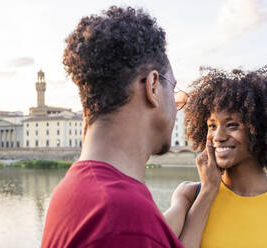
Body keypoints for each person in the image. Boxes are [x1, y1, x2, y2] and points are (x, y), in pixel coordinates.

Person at [41, 6, 219, 248]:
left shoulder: (73, 192)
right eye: (173, 90)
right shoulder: (121, 217)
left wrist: (204, 194)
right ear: (153, 86)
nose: (176, 107)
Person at [167, 65, 267, 248]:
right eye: (212, 126)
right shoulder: (189, 195)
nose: (218, 137)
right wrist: (207, 192)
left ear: (261, 131)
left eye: (232, 125)